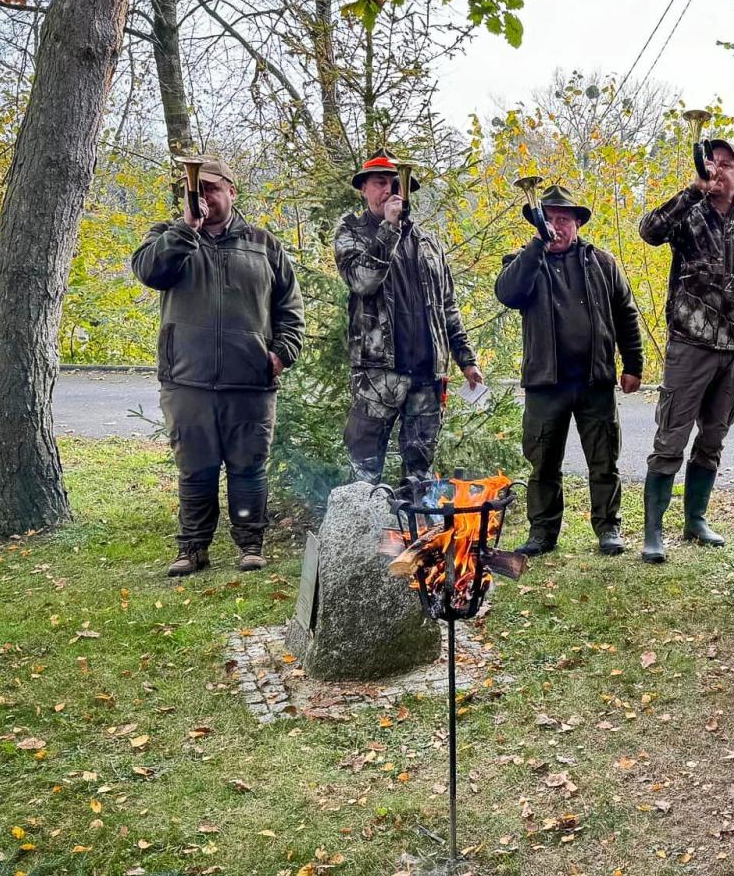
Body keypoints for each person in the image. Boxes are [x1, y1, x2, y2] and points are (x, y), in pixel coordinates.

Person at [132, 157, 304, 577]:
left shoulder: (264, 244)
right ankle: (192, 549)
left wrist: (280, 353)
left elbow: (290, 309)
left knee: (248, 467)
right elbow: (149, 272)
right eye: (195, 189)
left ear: (231, 192)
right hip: (186, 380)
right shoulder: (168, 237)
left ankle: (250, 544)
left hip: (250, 382)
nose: (202, 196)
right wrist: (184, 230)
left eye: (210, 188)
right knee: (196, 469)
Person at [636, 136, 734, 563]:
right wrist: (691, 191)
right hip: (690, 345)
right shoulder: (689, 213)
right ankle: (654, 532)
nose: (719, 169)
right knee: (670, 438)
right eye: (714, 162)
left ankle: (696, 520)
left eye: (729, 163)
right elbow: (649, 231)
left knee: (713, 438)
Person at [495, 184, 644, 556]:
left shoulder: (604, 263)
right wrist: (535, 248)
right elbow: (507, 294)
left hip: (595, 381)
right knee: (543, 463)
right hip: (546, 384)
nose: (557, 226)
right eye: (549, 219)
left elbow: (626, 314)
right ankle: (543, 533)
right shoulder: (524, 261)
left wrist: (634, 364)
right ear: (538, 224)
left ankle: (608, 529)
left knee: (603, 459)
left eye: (564, 219)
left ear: (578, 223)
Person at [334, 152, 482, 486]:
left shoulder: (428, 242)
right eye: (380, 183)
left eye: (395, 184)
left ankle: (416, 536)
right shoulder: (352, 234)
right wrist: (388, 229)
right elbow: (362, 281)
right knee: (363, 470)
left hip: (427, 376)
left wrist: (466, 360)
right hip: (377, 375)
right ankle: (364, 535)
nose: (389, 190)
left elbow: (448, 306)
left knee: (420, 475)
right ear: (364, 189)